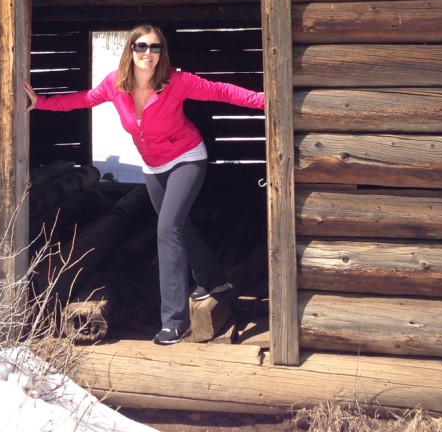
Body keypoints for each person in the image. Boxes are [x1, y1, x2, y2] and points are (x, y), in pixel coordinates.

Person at [24, 24, 265, 345]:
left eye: (155, 48)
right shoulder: (115, 84)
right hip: (154, 167)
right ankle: (214, 282)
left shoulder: (176, 82)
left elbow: (221, 90)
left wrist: (266, 100)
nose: (148, 53)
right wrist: (41, 103)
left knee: (167, 230)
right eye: (141, 46)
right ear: (130, 50)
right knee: (180, 227)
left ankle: (174, 321)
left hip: (187, 159)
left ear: (162, 53)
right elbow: (84, 99)